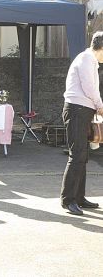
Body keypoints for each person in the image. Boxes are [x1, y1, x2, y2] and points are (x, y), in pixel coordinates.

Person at [60, 31, 103, 215]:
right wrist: (100, 106)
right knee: (77, 155)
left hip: (82, 111)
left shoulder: (90, 60)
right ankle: (68, 200)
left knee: (82, 156)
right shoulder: (86, 58)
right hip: (77, 110)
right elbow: (89, 87)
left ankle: (79, 197)